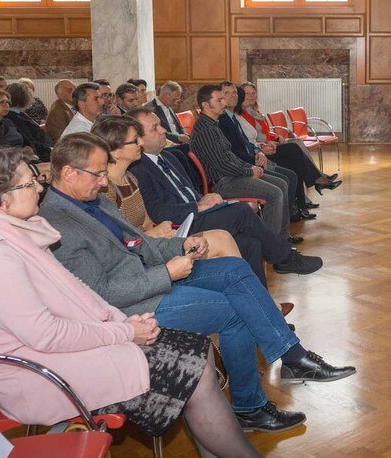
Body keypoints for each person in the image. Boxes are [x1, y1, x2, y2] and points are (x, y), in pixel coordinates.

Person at [0, 147, 261, 456]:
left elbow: (78, 292)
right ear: (2, 198)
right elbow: (47, 335)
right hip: (39, 377)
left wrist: (121, 321)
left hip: (62, 354)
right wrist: (125, 333)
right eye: (29, 183)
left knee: (200, 350)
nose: (39, 187)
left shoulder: (14, 235)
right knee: (198, 371)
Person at [39, 134, 354, 432]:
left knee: (233, 267)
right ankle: (252, 404)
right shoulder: (60, 223)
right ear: (68, 172)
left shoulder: (90, 199)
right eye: (96, 173)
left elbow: (140, 244)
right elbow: (101, 295)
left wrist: (182, 245)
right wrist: (167, 274)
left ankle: (290, 357)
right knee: (236, 310)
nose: (103, 180)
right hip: (134, 307)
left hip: (149, 276)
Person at [126, 107, 320, 281]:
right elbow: (157, 212)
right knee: (241, 211)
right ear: (139, 138)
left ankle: (264, 310)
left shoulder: (168, 157)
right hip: (182, 224)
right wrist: (198, 206)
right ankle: (284, 258)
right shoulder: (138, 169)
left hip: (198, 212)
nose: (163, 130)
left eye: (160, 125)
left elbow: (187, 191)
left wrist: (204, 200)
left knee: (251, 245)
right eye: (155, 128)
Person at [92, 115, 248, 264]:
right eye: (134, 140)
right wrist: (153, 234)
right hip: (139, 256)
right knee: (222, 238)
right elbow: (116, 245)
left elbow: (147, 222)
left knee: (243, 243)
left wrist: (162, 232)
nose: (141, 142)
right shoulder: (105, 190)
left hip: (153, 243)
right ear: (114, 151)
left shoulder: (130, 178)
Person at [191, 85, 295, 244]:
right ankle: (273, 246)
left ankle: (282, 237)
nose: (224, 103)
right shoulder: (205, 130)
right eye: (219, 100)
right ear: (205, 105)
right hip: (224, 182)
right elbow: (222, 165)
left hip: (233, 175)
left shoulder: (213, 124)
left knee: (281, 183)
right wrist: (249, 171)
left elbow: (230, 156)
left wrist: (250, 168)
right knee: (274, 193)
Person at [216, 83, 308, 221]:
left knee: (292, 162)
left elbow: (246, 142)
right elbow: (232, 153)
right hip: (241, 168)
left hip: (255, 156)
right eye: (227, 93)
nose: (233, 96)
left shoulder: (233, 117)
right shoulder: (223, 120)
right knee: (287, 174)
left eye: (234, 93)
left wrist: (258, 150)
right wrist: (256, 157)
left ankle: (294, 212)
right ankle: (286, 221)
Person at [235, 84, 340, 199]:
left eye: (253, 93)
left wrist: (275, 137)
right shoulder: (242, 114)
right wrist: (265, 144)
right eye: (247, 93)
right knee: (295, 152)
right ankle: (316, 180)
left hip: (270, 144)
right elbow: (251, 137)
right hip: (263, 150)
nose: (251, 96)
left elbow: (264, 132)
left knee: (297, 143)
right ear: (240, 96)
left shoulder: (255, 112)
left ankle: (315, 182)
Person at [5, 83, 53, 161]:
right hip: (40, 155)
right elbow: (29, 141)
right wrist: (50, 149)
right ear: (24, 98)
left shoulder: (19, 114)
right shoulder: (14, 117)